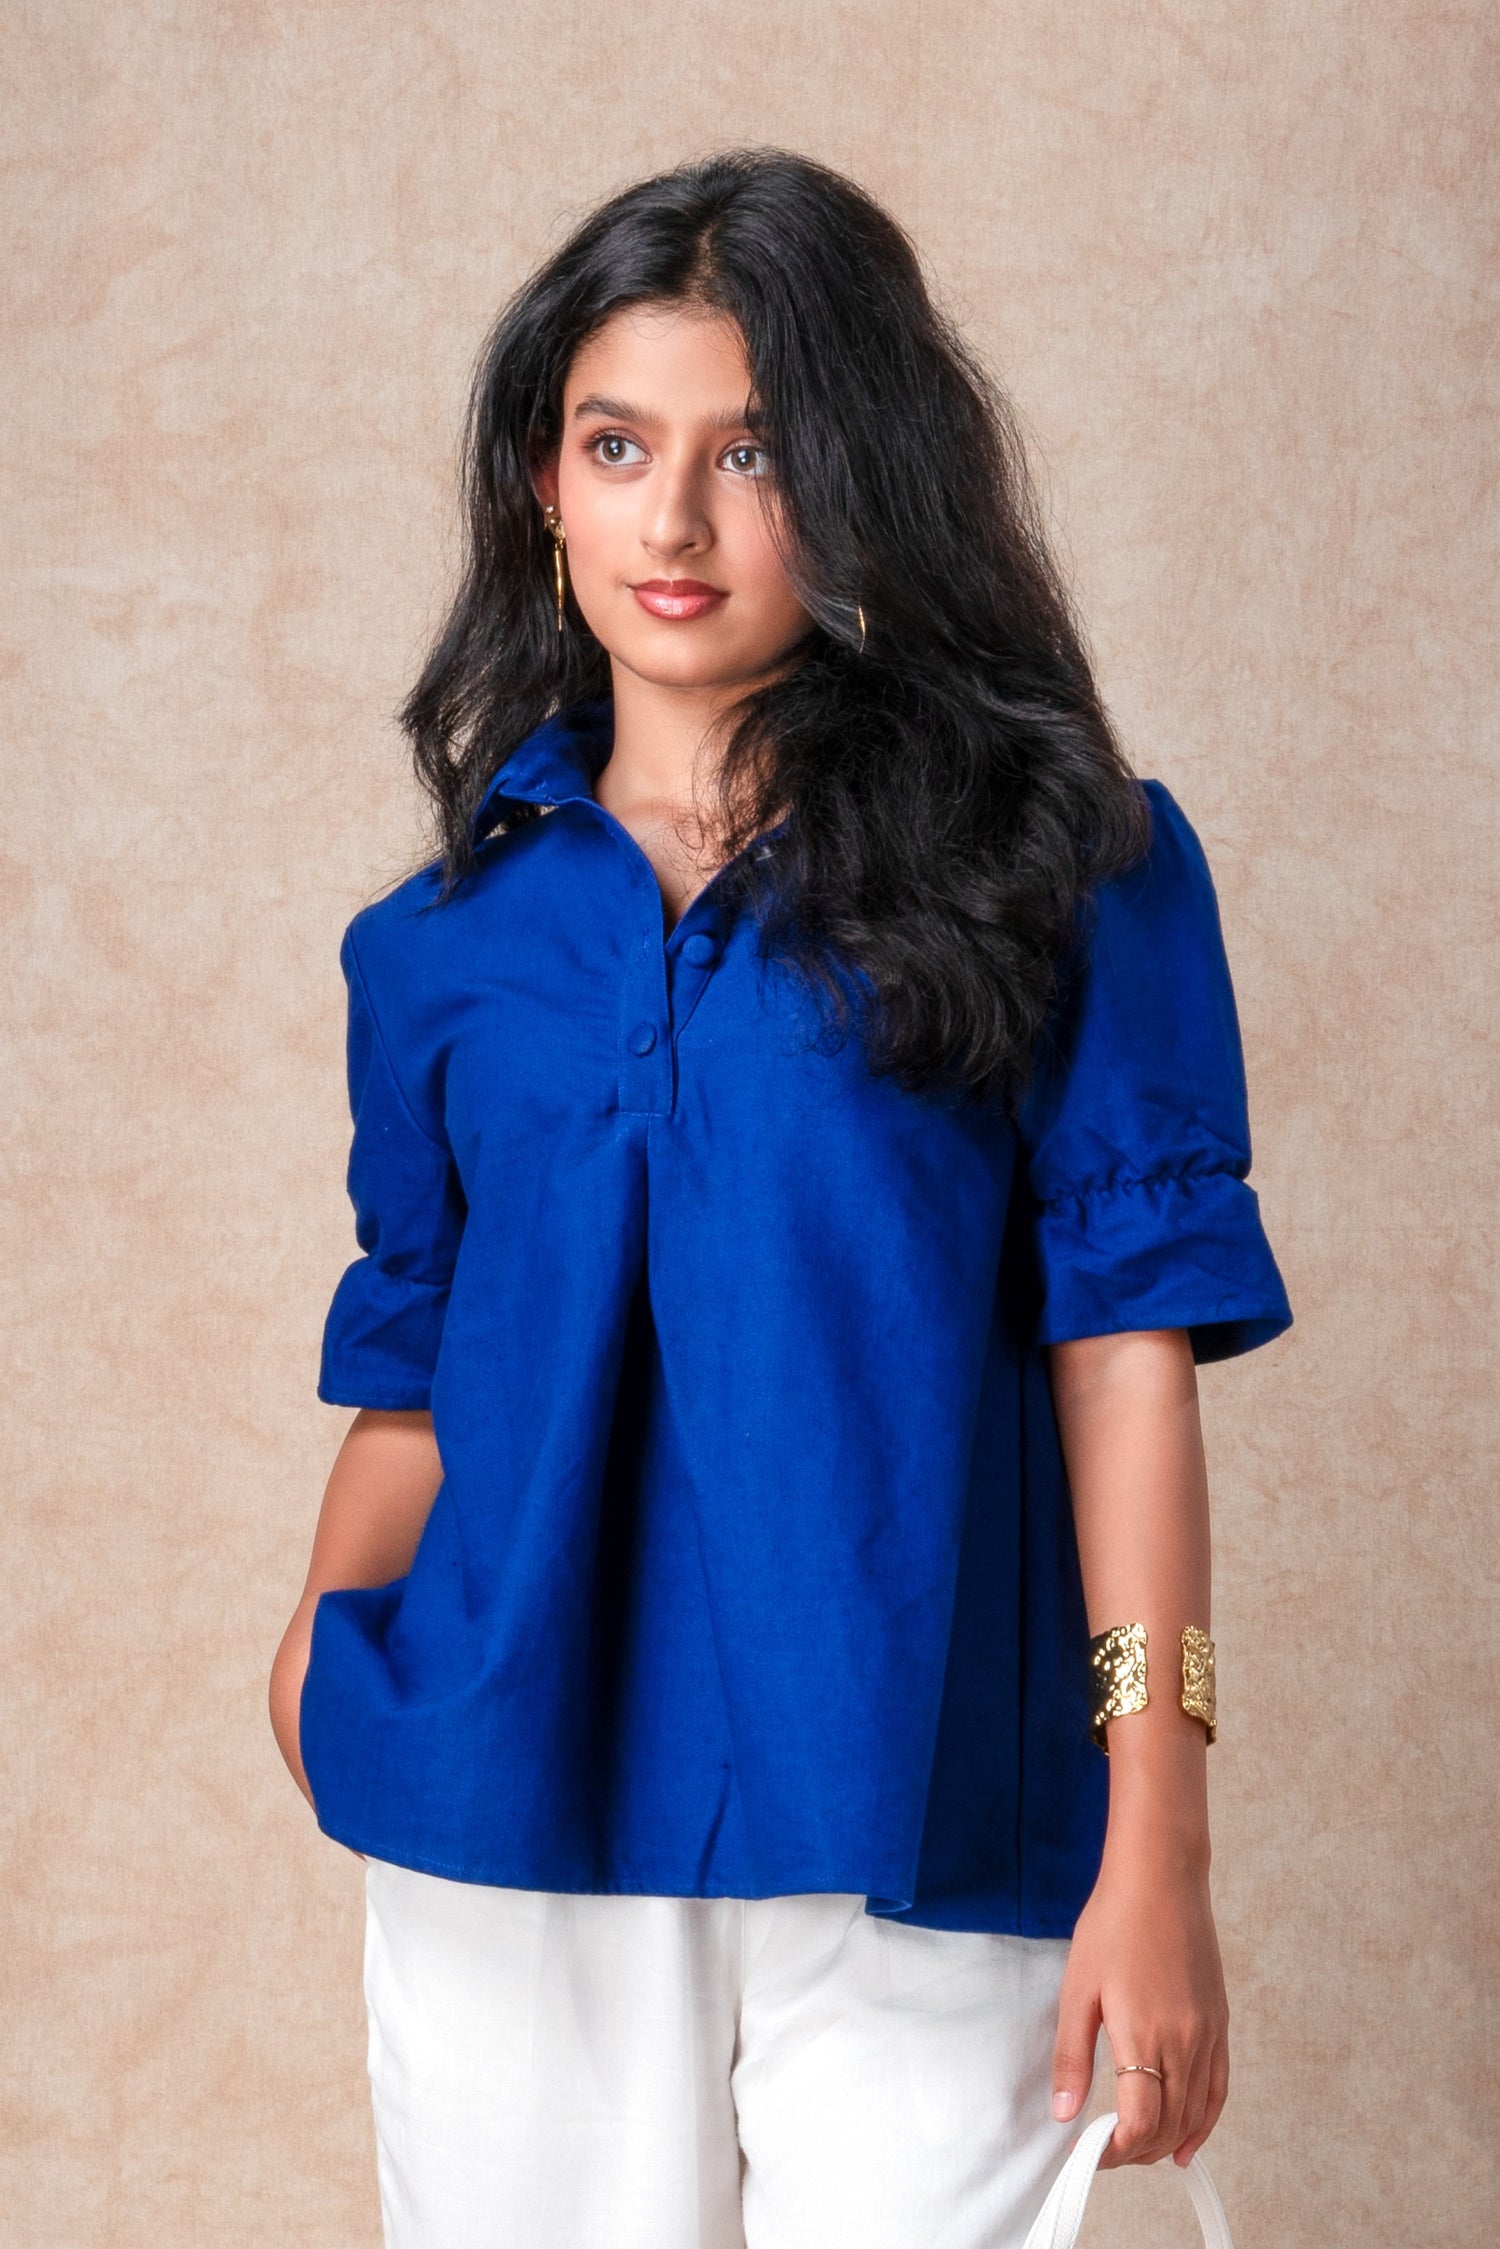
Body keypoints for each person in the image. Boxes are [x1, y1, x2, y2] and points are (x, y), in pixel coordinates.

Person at [269, 148, 1292, 2249]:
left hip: (927, 1797)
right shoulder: (437, 942)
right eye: (618, 443)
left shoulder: (1067, 861)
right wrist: (308, 1648)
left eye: (754, 453)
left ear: (860, 479)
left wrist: (1156, 1843)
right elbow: (425, 1360)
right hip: (499, 1790)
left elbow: (1125, 1364)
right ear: (540, 486)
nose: (673, 517)